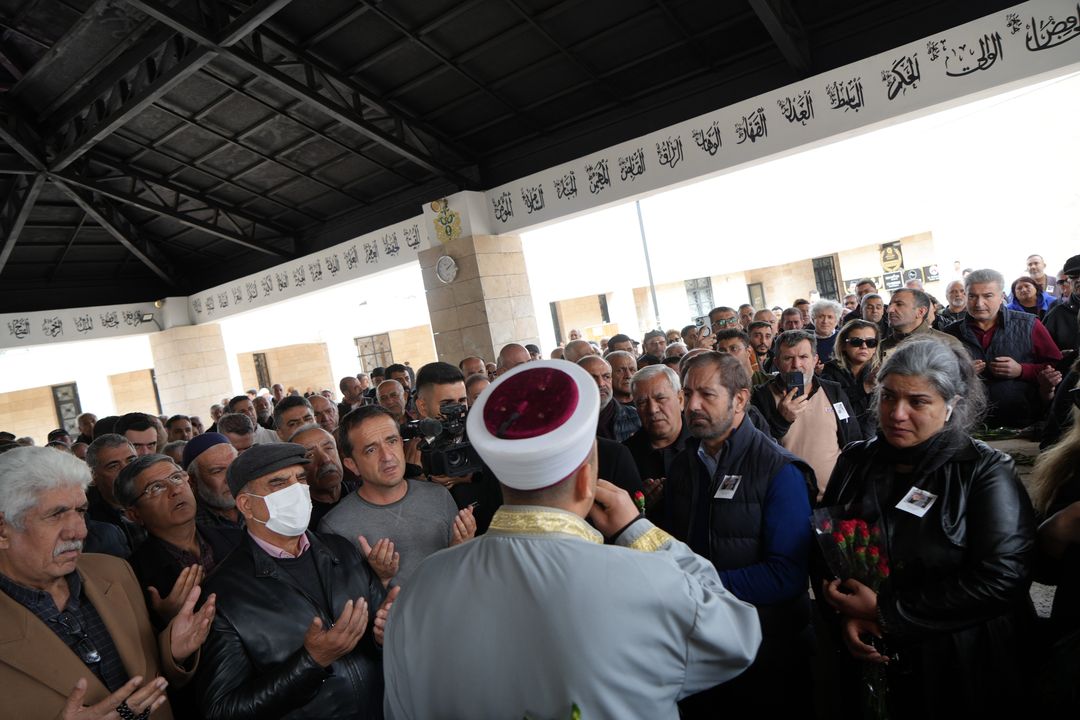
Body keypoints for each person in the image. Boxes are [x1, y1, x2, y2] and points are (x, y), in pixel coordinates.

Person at [382, 360, 762, 719]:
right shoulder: (645, 581)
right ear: (586, 479)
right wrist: (639, 532)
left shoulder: (420, 592)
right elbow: (736, 635)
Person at [819, 339, 1036, 717]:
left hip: (960, 662)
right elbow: (825, 543)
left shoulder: (984, 471)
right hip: (870, 651)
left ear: (950, 405)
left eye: (918, 402)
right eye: (888, 397)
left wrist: (887, 612)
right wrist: (848, 612)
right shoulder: (856, 460)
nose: (897, 413)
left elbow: (1004, 578)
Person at [0, 447, 215, 720]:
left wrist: (171, 650)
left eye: (80, 511)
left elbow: (147, 670)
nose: (79, 531)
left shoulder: (113, 571)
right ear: (2, 529)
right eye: (55, 515)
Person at [661, 352, 814, 716]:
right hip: (700, 646)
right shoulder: (684, 464)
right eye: (687, 394)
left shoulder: (778, 470)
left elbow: (787, 575)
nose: (692, 405)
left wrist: (698, 588)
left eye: (707, 394)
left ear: (741, 399)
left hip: (767, 649)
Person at [195, 443, 393, 720]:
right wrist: (312, 662)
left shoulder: (341, 550)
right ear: (246, 505)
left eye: (300, 479)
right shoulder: (224, 594)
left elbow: (378, 639)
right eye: (278, 483)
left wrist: (386, 634)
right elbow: (223, 710)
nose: (296, 491)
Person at [320, 406, 474, 586]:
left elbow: (464, 575)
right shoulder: (335, 526)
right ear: (352, 464)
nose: (387, 456)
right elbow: (350, 604)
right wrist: (379, 580)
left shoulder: (439, 495)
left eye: (391, 441)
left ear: (402, 443)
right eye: (371, 450)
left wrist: (461, 549)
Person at [944, 268, 1062, 428]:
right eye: (972, 296)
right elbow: (935, 377)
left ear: (1001, 297)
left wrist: (1022, 370)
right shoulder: (950, 334)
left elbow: (1057, 367)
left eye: (988, 296)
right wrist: (962, 372)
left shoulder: (1029, 325)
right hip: (968, 427)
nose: (979, 303)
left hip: (1024, 424)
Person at [751, 330, 862, 499]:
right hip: (788, 498)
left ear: (815, 359)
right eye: (788, 358)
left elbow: (853, 440)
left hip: (835, 497)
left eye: (803, 357)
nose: (796, 365)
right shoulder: (761, 397)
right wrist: (781, 420)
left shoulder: (833, 390)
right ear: (776, 363)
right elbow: (756, 450)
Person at [820, 319, 880, 436]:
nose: (864, 346)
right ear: (843, 345)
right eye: (856, 342)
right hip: (839, 434)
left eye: (871, 342)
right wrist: (865, 387)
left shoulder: (881, 371)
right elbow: (831, 404)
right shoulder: (830, 370)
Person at [879, 287, 965, 362]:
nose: (889, 310)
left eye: (899, 304)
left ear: (920, 312)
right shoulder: (877, 348)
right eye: (890, 305)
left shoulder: (947, 343)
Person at [578, 355, 641, 442]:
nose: (601, 384)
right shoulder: (569, 422)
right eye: (592, 378)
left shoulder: (634, 416)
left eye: (606, 377)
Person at [810, 299, 842, 363]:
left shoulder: (843, 338)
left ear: (836, 321)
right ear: (813, 319)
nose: (825, 321)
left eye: (830, 317)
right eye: (821, 317)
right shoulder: (807, 340)